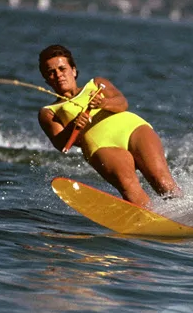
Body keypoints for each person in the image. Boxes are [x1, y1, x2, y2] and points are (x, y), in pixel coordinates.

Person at [37, 44, 180, 206]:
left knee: (162, 181)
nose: (58, 75)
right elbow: (61, 144)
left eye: (62, 69)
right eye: (51, 72)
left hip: (133, 129)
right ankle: (153, 220)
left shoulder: (97, 84)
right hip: (102, 146)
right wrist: (72, 126)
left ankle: (188, 216)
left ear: (74, 70)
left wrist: (103, 102)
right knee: (130, 187)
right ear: (47, 80)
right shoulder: (48, 111)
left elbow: (122, 103)